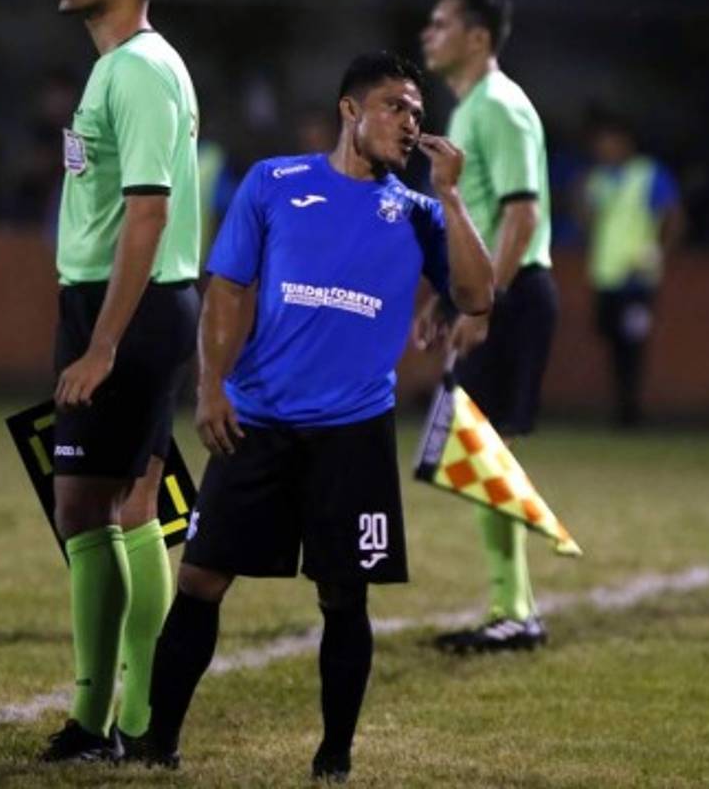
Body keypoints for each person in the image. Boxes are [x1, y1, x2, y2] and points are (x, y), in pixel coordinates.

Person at [142, 52, 492, 781]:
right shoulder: (275, 182)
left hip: (354, 431)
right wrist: (210, 388)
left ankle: (334, 756)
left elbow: (478, 292)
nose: (410, 123)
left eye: (418, 114)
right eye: (396, 107)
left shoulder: (420, 211)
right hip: (258, 419)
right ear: (349, 110)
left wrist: (453, 198)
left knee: (344, 593)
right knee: (202, 578)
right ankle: (158, 742)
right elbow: (228, 290)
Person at [42, 0, 202, 762]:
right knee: (87, 502)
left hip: (127, 308)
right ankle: (100, 719)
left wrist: (103, 341)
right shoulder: (120, 69)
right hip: (109, 303)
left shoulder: (139, 71)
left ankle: (139, 723)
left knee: (125, 506)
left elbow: (149, 211)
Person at [417, 0, 559, 653]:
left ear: (478, 38)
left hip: (514, 292)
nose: (428, 33)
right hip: (499, 290)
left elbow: (521, 214)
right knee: (476, 447)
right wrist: (445, 298)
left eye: (442, 23)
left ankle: (515, 609)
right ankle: (513, 605)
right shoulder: (475, 106)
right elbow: (478, 223)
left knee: (480, 447)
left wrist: (483, 305)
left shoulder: (497, 106)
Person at [580, 110, 682, 427]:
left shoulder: (649, 174)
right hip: (605, 276)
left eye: (608, 143)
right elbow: (587, 220)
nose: (602, 150)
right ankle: (622, 407)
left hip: (637, 279)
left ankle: (630, 411)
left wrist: (659, 253)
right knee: (611, 341)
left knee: (632, 345)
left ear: (624, 143)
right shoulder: (598, 179)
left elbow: (674, 217)